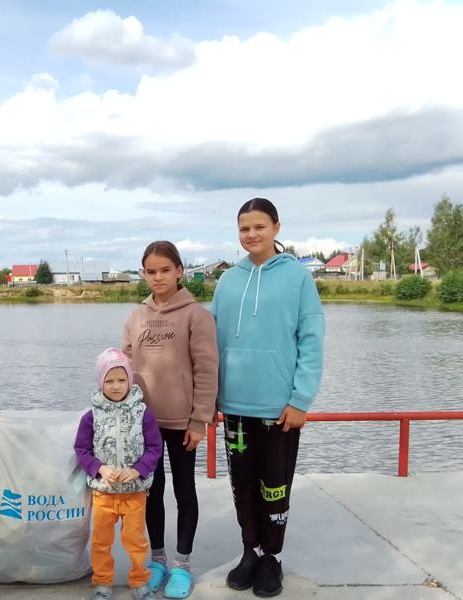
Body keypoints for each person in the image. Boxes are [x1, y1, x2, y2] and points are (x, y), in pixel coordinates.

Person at [210, 198, 324, 598]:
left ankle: (272, 557)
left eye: (259, 226)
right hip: (235, 406)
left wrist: (301, 399)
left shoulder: (297, 278)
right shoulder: (227, 281)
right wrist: (210, 398)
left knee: (274, 486)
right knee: (242, 486)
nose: (251, 235)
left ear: (276, 227)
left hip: (278, 408)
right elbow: (211, 344)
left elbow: (311, 341)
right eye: (244, 228)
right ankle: (250, 551)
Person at [122, 241, 219, 600]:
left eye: (165, 269)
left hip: (182, 421)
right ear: (143, 273)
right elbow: (124, 371)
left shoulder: (197, 315)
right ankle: (158, 558)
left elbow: (207, 370)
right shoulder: (135, 317)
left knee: (183, 490)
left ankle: (182, 564)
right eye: (151, 271)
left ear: (179, 270)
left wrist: (200, 419)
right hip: (144, 422)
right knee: (151, 491)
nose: (158, 277)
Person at [74, 348, 163, 600]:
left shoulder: (143, 413)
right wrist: (99, 469)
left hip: (136, 493)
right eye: (109, 380)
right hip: (103, 493)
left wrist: (137, 471)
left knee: (136, 542)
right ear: (100, 381)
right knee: (101, 541)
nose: (115, 386)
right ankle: (103, 584)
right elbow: (82, 450)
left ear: (130, 380)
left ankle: (139, 582)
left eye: (121, 380)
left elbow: (155, 448)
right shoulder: (91, 416)